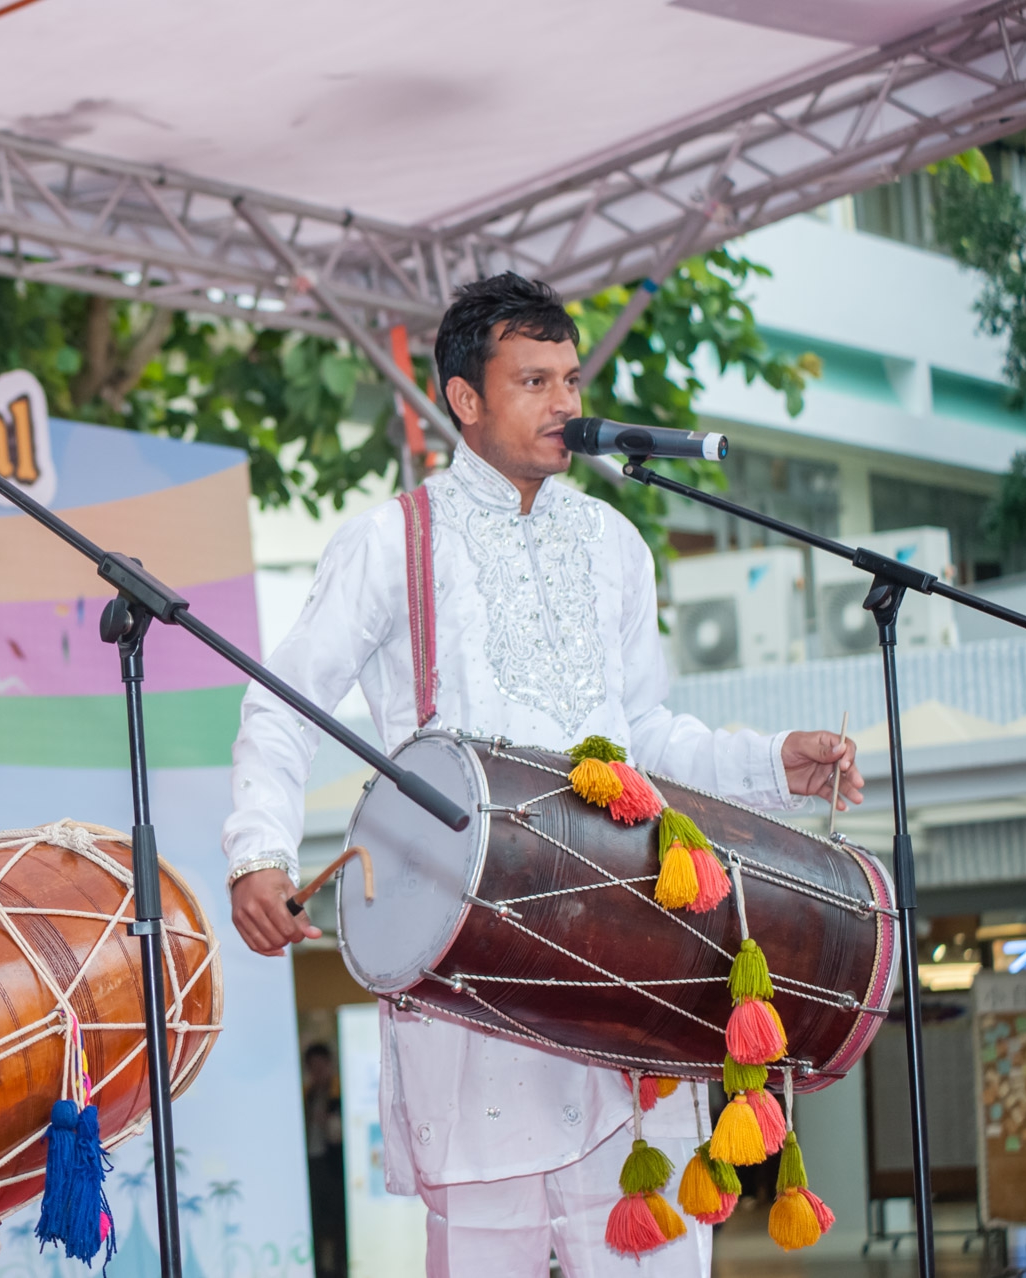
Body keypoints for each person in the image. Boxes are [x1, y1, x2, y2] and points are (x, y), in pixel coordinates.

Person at [222, 273, 863, 1278]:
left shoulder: (613, 543)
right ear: (466, 400)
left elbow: (648, 733)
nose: (568, 403)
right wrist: (258, 853)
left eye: (570, 378)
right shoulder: (392, 541)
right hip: (476, 977)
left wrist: (770, 763)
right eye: (535, 381)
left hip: (629, 971)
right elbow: (280, 701)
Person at [302, 1042, 347, 1278]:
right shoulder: (308, 1094)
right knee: (317, 1219)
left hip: (333, 1164)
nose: (317, 1071)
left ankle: (341, 1266)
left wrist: (329, 1120)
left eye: (321, 1066)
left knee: (338, 1219)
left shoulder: (339, 1093)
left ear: (329, 1065)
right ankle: (320, 1268)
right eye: (312, 1067)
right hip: (312, 1162)